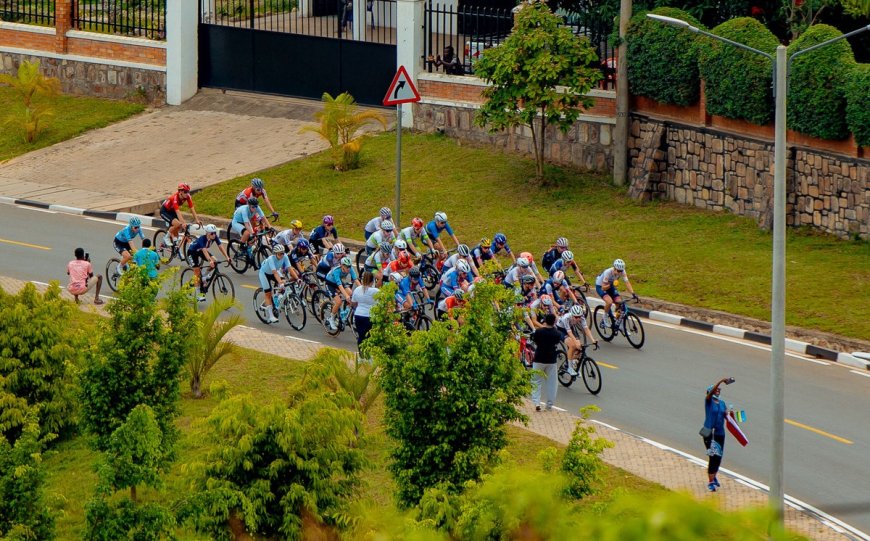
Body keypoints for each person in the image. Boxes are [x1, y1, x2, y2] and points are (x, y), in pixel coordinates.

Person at [702, 377, 735, 492]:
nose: (718, 390)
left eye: (719, 389)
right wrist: (721, 381)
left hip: (720, 433)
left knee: (719, 457)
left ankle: (714, 475)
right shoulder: (708, 401)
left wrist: (732, 415)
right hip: (708, 432)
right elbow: (711, 393)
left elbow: (727, 417)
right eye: (716, 389)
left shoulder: (722, 403)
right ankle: (711, 482)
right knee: (713, 456)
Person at [186, 224, 229, 301]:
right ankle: (198, 294)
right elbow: (205, 251)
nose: (214, 235)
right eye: (212, 233)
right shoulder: (202, 239)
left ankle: (204, 276)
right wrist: (210, 261)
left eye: (215, 233)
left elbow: (220, 247)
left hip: (200, 251)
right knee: (197, 273)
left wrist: (227, 257)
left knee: (215, 261)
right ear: (207, 233)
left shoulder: (214, 237)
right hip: (192, 252)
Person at [555, 304, 598, 376]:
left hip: (570, 327)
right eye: (576, 317)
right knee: (572, 345)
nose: (578, 319)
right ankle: (569, 368)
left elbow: (586, 329)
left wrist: (593, 340)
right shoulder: (566, 317)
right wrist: (575, 342)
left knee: (579, 348)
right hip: (560, 329)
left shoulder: (582, 317)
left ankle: (568, 363)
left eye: (579, 317)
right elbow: (569, 332)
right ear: (572, 315)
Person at [531, 313, 561, 411]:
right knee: (552, 383)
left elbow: (535, 341)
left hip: (539, 358)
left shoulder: (539, 332)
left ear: (545, 321)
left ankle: (536, 403)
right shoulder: (557, 333)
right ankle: (549, 405)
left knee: (536, 381)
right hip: (551, 360)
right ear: (554, 322)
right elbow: (557, 342)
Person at [257, 244, 291, 324]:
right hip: (265, 274)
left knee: (285, 282)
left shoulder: (285, 256)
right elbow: (275, 273)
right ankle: (271, 316)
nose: (281, 255)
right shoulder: (271, 259)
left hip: (274, 272)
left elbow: (290, 268)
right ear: (275, 254)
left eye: (282, 253)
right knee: (268, 293)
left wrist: (297, 278)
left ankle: (276, 297)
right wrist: (280, 283)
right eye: (279, 254)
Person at [160, 183, 202, 247]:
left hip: (172, 211)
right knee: (177, 224)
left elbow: (192, 208)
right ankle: (166, 237)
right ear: (180, 192)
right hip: (165, 211)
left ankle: (176, 249)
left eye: (188, 191)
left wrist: (197, 220)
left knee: (178, 228)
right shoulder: (175, 198)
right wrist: (183, 223)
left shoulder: (187, 196)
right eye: (185, 192)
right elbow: (178, 212)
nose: (187, 193)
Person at [324, 256, 360, 331]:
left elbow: (356, 280)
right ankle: (331, 318)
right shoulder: (336, 271)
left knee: (351, 293)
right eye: (347, 267)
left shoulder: (350, 269)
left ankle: (345, 312)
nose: (348, 268)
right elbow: (340, 286)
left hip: (338, 282)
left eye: (349, 266)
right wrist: (346, 296)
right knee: (339, 302)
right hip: (330, 283)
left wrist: (364, 290)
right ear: (342, 266)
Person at [351, 271, 379, 351]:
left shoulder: (357, 289)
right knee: (370, 338)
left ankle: (361, 355)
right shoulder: (376, 291)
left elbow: (353, 303)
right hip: (370, 317)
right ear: (372, 281)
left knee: (361, 337)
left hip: (358, 316)